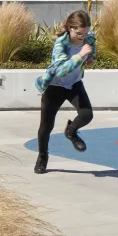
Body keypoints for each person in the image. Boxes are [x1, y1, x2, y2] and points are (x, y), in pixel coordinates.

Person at [33, 10, 97, 174]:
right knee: (46, 127)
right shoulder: (61, 44)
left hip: (74, 83)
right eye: (79, 33)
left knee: (87, 114)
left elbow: (92, 48)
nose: (83, 36)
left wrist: (90, 58)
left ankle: (71, 131)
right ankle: (42, 156)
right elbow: (61, 71)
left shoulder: (88, 37)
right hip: (55, 86)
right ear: (70, 28)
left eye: (86, 32)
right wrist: (80, 55)